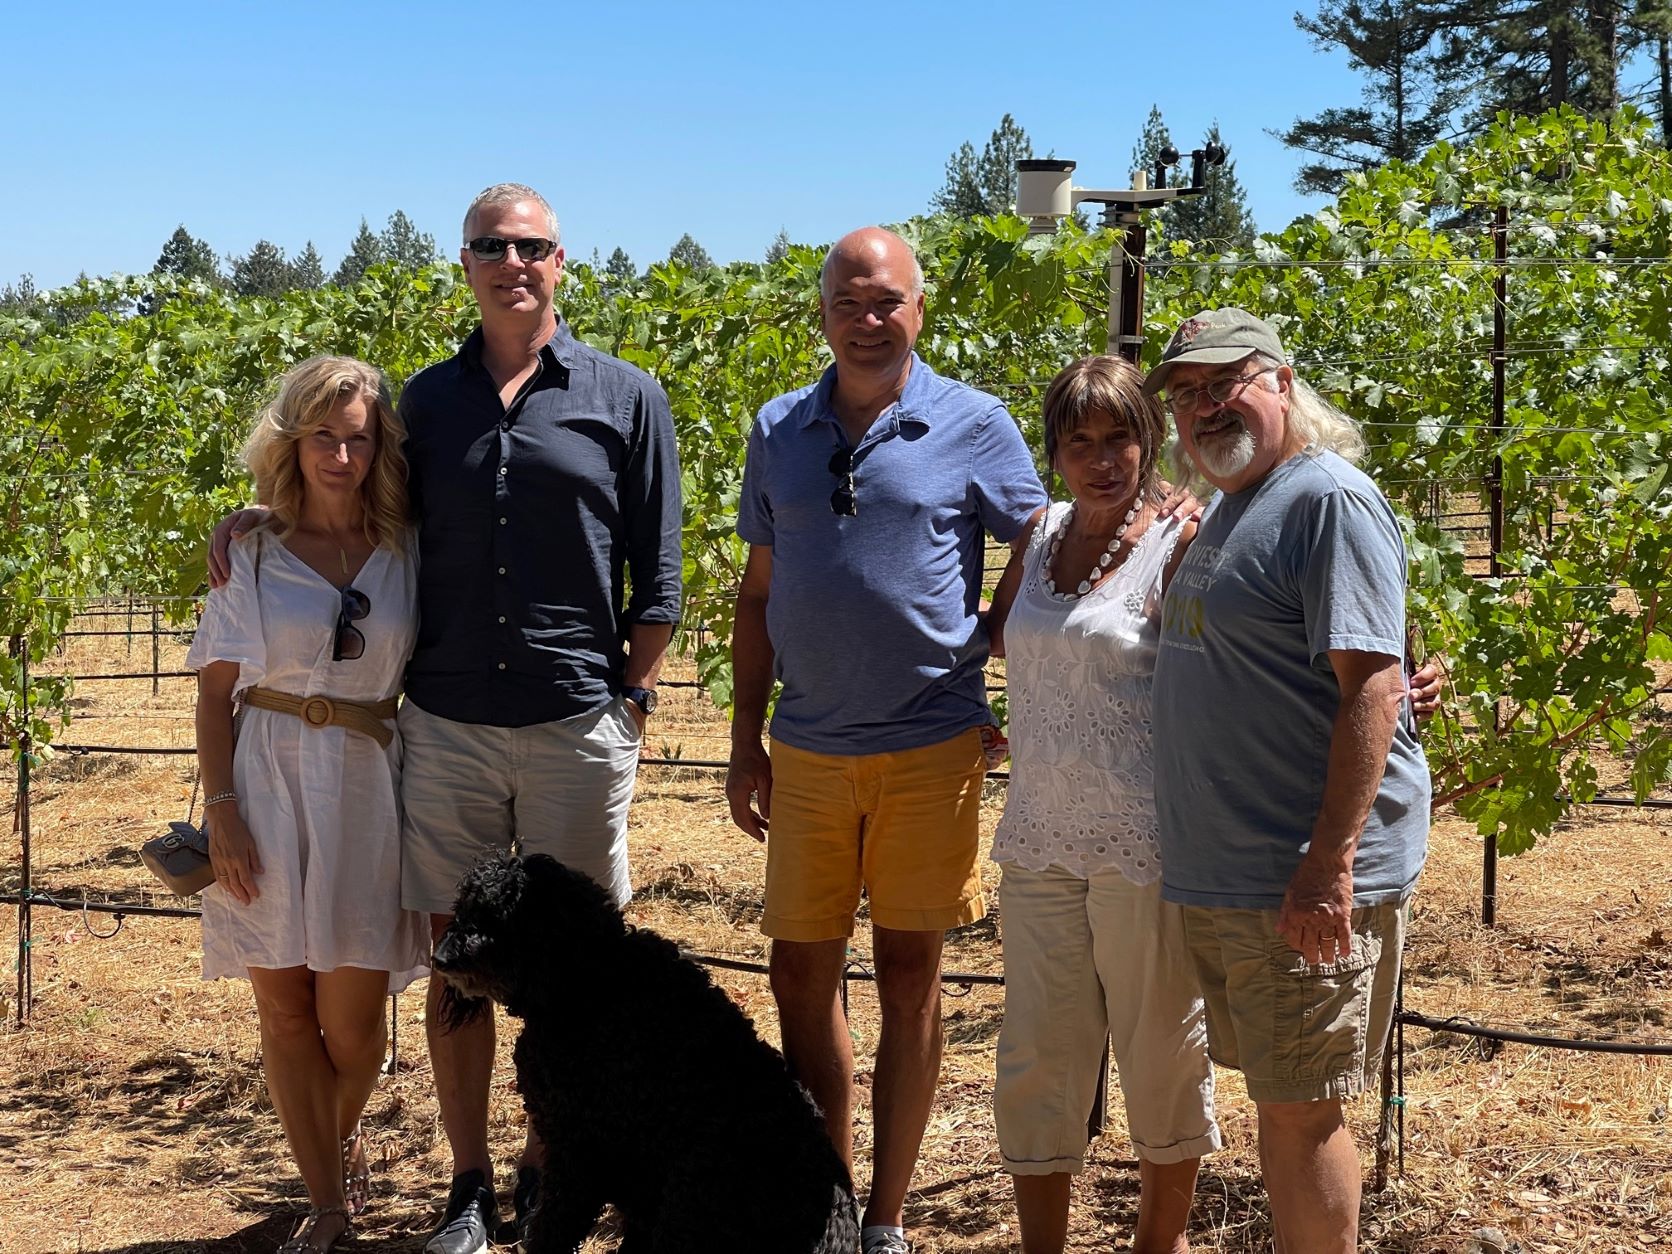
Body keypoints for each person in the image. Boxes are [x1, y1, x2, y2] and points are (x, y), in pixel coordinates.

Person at [210, 183, 682, 1254]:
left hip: (573, 725)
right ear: (464, 265)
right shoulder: (423, 404)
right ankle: (468, 1185)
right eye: (490, 246)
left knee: (583, 975)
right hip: (448, 727)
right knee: (457, 960)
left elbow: (657, 576)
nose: (512, 260)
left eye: (531, 245)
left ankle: (558, 1162)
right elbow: (347, 499)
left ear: (562, 261)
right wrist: (258, 515)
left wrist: (627, 698)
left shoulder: (625, 395)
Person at [725, 226, 1048, 1254]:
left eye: (886, 303)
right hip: (809, 746)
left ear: (919, 310)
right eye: (847, 303)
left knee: (911, 973)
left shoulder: (974, 422)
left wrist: (993, 634)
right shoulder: (780, 426)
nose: (867, 322)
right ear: (821, 313)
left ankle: (886, 1216)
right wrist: (744, 735)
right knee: (795, 976)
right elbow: (759, 590)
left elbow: (1044, 536)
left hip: (931, 746)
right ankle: (824, 1195)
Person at [1145, 308, 1431, 1254]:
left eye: (1224, 382)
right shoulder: (1236, 504)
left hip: (1296, 883)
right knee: (1283, 1105)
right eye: (1185, 394)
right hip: (1238, 875)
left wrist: (1328, 864)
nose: (1203, 406)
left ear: (1281, 380)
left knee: (1303, 1113)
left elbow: (1373, 687)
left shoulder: (1325, 500)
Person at [190, 356, 429, 1254]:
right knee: (285, 1011)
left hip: (368, 789)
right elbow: (216, 696)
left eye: (357, 437)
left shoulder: (410, 549)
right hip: (264, 786)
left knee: (354, 1024)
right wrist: (223, 812)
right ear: (294, 443)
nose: (340, 454)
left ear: (379, 446)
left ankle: (332, 1145)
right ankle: (328, 1203)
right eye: (322, 436)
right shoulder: (251, 551)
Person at [985, 356, 1216, 1254]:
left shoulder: (1182, 536)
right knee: (1039, 1056)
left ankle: (1155, 1248)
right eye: (1078, 440)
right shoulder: (1040, 533)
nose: (1101, 457)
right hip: (1040, 832)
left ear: (1148, 437)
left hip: (1143, 841)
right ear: (1055, 453)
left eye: (1118, 434)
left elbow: (1241, 657)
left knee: (1159, 1047)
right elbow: (999, 636)